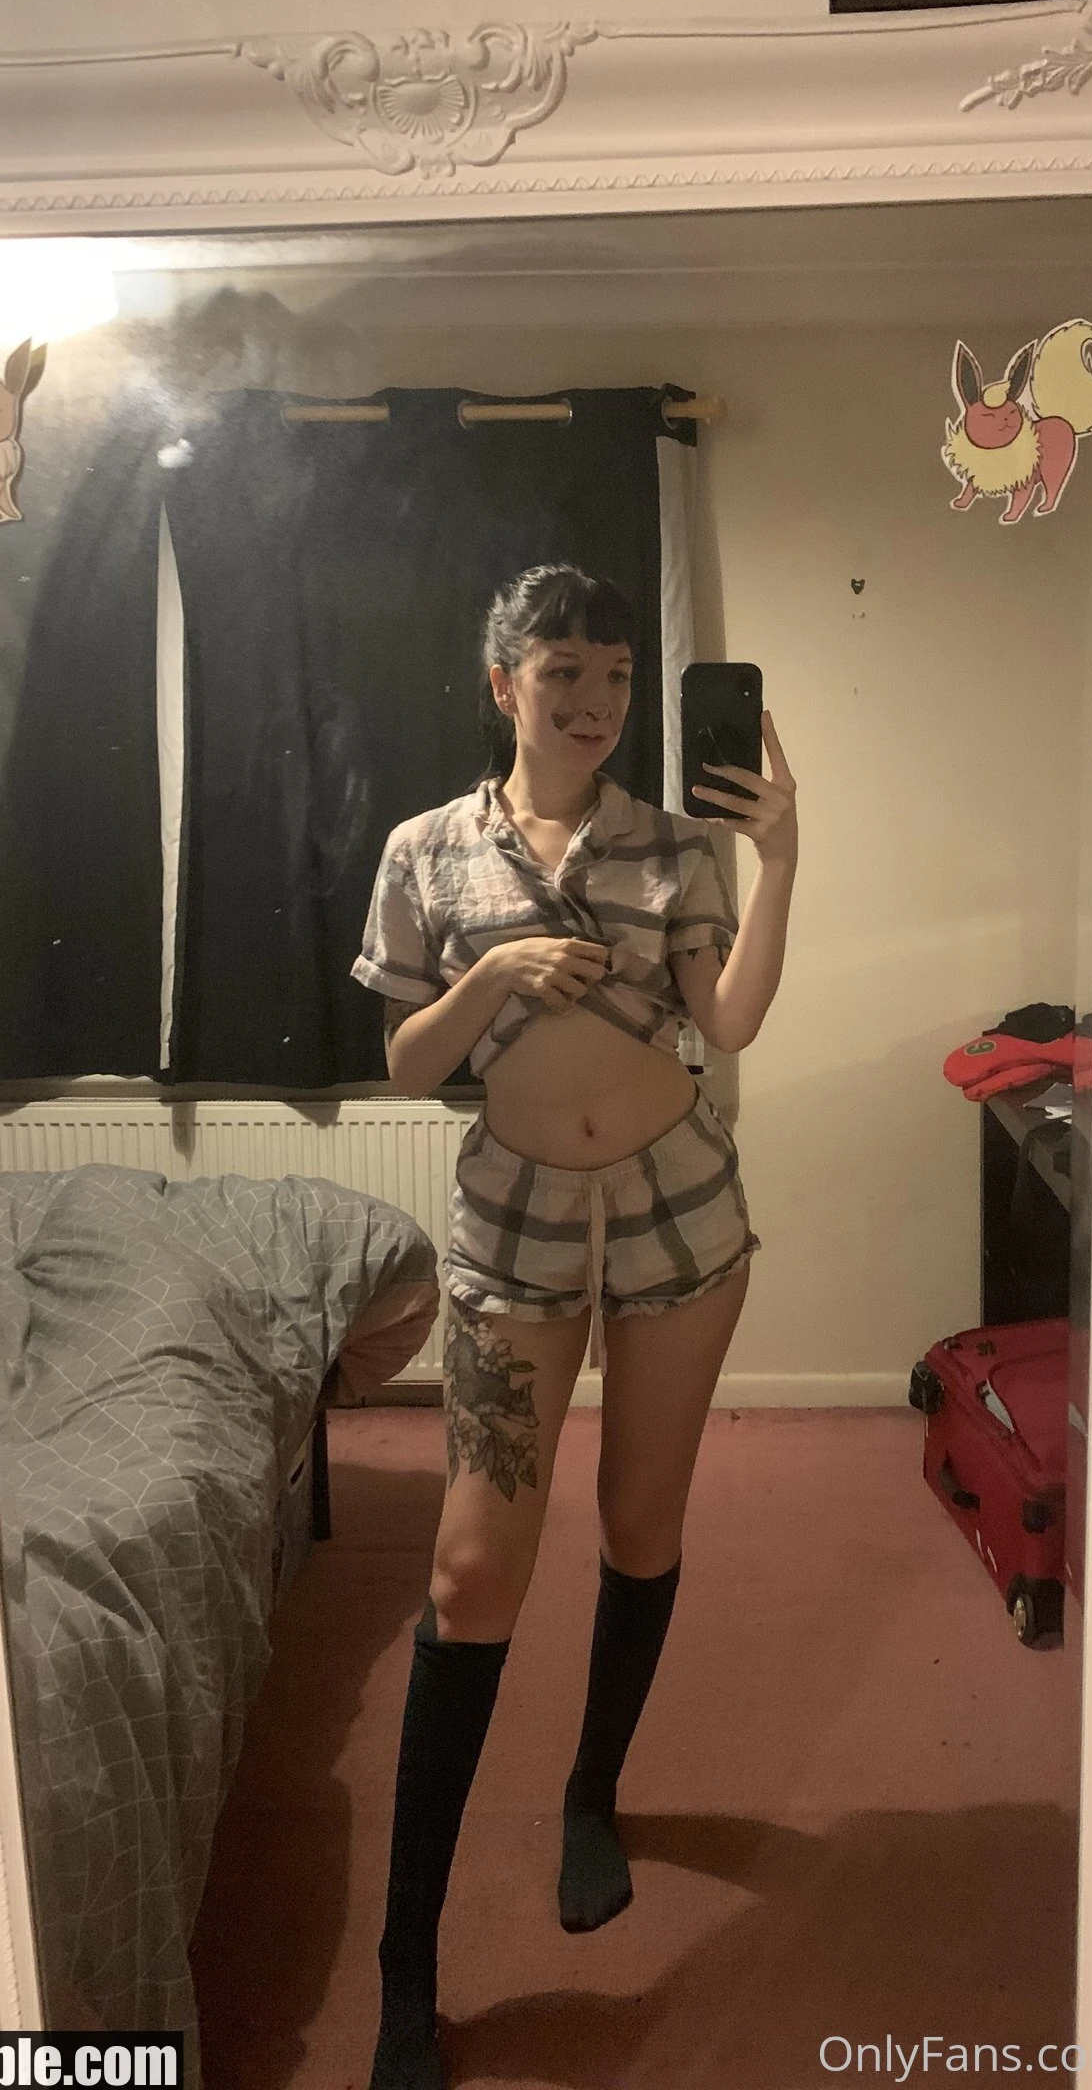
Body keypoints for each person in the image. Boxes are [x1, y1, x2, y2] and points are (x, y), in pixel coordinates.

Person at [350, 562, 797, 2090]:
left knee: (640, 1524)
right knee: (472, 1570)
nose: (595, 700)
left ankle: (592, 1794)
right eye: (564, 674)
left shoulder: (673, 847)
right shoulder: (426, 852)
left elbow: (728, 1023)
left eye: (614, 674)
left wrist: (781, 856)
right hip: (516, 1232)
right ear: (506, 686)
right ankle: (407, 1969)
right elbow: (410, 1062)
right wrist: (493, 971)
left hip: (681, 1220)